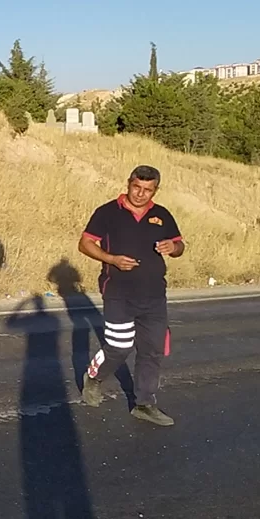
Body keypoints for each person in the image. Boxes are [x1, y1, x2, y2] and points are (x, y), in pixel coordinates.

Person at [78, 165, 185, 426]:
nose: (140, 194)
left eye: (148, 190)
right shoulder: (107, 212)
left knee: (152, 350)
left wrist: (174, 247)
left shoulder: (162, 215)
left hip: (154, 296)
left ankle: (144, 404)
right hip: (118, 294)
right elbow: (85, 243)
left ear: (155, 190)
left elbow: (180, 245)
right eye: (137, 187)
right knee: (119, 347)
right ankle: (93, 378)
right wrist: (111, 259)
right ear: (128, 184)